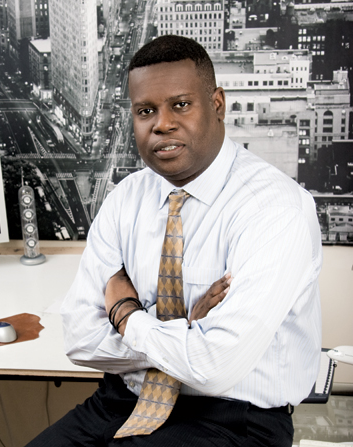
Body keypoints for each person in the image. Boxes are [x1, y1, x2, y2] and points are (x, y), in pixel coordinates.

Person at [25, 35, 322, 446]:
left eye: (180, 105)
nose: (161, 123)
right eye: (145, 111)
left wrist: (127, 315)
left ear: (217, 105)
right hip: (120, 401)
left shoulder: (274, 210)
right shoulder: (125, 200)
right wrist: (187, 331)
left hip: (231, 418)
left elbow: (215, 367)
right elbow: (80, 339)